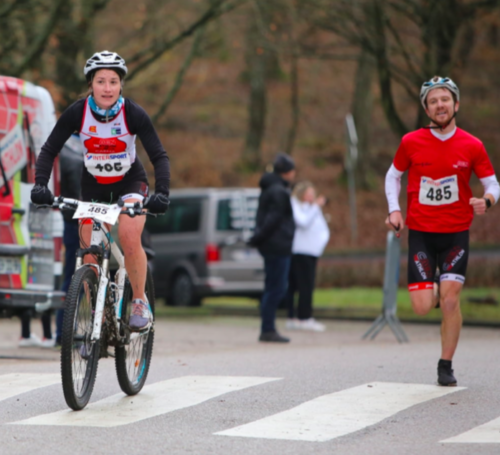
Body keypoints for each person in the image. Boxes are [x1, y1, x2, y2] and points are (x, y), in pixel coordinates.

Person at [31, 50, 170, 331]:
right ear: (90, 85)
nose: (107, 88)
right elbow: (48, 150)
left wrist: (162, 193)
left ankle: (140, 300)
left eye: (113, 82)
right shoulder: (77, 112)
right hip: (93, 185)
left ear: (121, 85)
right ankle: (98, 316)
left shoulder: (132, 113)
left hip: (130, 182)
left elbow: (159, 156)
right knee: (89, 253)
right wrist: (40, 185)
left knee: (130, 236)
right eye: (101, 81)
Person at [384, 76, 499, 386]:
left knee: (449, 300)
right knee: (422, 307)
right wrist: (395, 210)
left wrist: (486, 201)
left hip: (456, 232)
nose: (440, 105)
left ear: (456, 104)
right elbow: (393, 176)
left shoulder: (472, 144)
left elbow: (492, 183)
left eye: (445, 99)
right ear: (426, 109)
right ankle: (438, 282)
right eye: (433, 101)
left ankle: (445, 365)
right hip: (421, 232)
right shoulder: (411, 142)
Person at [248, 153, 296, 343]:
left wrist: (257, 238)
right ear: (288, 172)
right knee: (276, 288)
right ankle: (267, 328)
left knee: (273, 286)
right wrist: (258, 237)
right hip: (278, 245)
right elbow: (273, 219)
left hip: (273, 244)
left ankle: (268, 327)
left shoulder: (271, 188)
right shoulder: (278, 191)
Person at [285, 181, 330, 332]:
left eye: (313, 193)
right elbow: (303, 222)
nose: (312, 197)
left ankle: (296, 316)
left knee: (302, 285)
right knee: (303, 285)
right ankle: (303, 317)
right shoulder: (297, 206)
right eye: (308, 193)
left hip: (310, 251)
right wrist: (316, 207)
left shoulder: (310, 208)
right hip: (301, 251)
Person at [55, 134, 84, 347]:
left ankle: (64, 331)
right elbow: (73, 176)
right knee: (74, 278)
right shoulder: (72, 147)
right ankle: (64, 331)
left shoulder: (70, 145)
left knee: (75, 277)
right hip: (76, 219)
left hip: (75, 217)